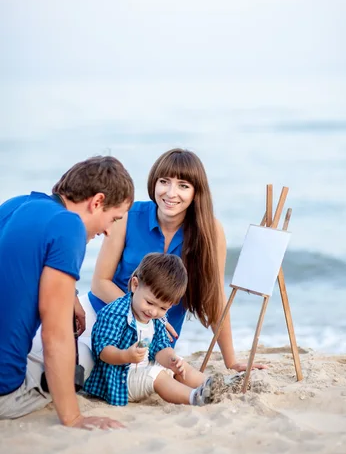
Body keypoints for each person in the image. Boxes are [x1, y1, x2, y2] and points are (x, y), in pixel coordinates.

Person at [80, 148, 266, 372]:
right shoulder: (128, 216)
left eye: (183, 186)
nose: (171, 193)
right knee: (74, 366)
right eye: (164, 181)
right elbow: (100, 282)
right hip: (101, 317)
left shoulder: (210, 231)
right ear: (154, 183)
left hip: (154, 341)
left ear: (196, 192)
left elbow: (215, 297)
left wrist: (231, 362)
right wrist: (139, 314)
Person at [0, 156, 134, 429]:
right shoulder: (69, 226)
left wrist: (70, 293)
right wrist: (73, 417)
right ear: (97, 202)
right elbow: (55, 334)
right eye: (113, 218)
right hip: (5, 392)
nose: (109, 230)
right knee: (84, 355)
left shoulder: (16, 205)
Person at [84, 253, 231, 406]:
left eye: (163, 308)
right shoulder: (115, 313)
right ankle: (194, 397)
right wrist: (126, 356)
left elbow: (161, 348)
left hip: (142, 371)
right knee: (156, 375)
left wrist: (171, 360)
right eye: (149, 302)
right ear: (135, 285)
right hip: (119, 380)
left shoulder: (156, 320)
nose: (153, 312)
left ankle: (214, 385)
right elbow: (103, 351)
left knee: (180, 365)